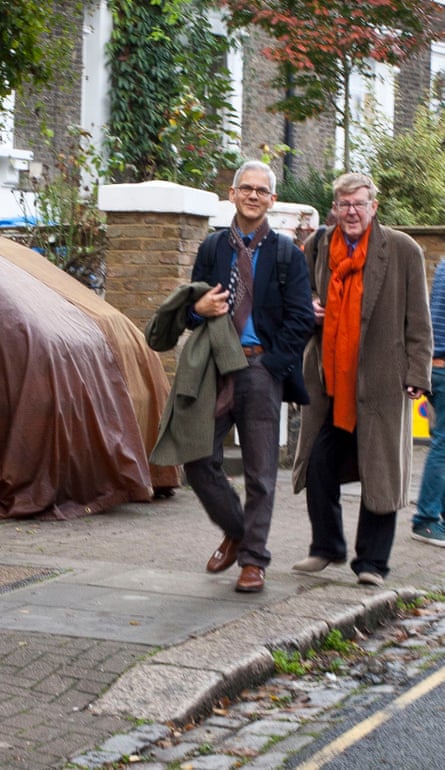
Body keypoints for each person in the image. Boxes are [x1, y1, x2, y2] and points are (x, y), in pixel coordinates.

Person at [292, 172, 432, 587]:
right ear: (335, 209)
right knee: (317, 464)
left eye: (359, 204)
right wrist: (311, 308)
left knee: (380, 470)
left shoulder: (403, 250)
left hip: (382, 381)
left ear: (374, 206)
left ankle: (372, 563)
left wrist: (416, 374)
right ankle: (327, 548)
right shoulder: (317, 247)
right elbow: (302, 300)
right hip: (330, 381)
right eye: (344, 205)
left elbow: (419, 323)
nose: (351, 212)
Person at [183, 159, 314, 593]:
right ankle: (238, 531)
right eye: (246, 188)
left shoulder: (286, 255)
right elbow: (190, 306)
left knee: (260, 471)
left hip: (262, 367)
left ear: (272, 200)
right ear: (233, 194)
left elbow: (300, 319)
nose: (253, 195)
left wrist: (273, 367)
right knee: (198, 458)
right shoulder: (212, 249)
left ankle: (254, 560)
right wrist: (197, 311)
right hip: (216, 368)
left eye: (262, 190)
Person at [412, 258, 445, 546]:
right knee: (442, 444)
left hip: (434, 364)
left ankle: (437, 514)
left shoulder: (444, 263)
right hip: (443, 365)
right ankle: (426, 519)